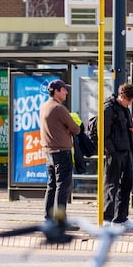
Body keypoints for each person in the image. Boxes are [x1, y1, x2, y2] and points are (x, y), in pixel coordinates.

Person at [39, 79, 81, 221]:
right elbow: (75, 128)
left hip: (49, 152)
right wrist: (71, 128)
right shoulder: (59, 108)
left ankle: (48, 218)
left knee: (52, 185)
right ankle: (60, 221)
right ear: (57, 91)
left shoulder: (44, 106)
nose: (67, 92)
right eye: (64, 90)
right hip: (62, 151)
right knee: (62, 187)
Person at [102, 82, 133, 224]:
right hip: (115, 153)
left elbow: (125, 128)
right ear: (122, 96)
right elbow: (104, 133)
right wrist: (112, 150)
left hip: (127, 150)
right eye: (129, 101)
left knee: (127, 184)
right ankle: (107, 217)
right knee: (112, 185)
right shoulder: (109, 108)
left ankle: (121, 218)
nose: (129, 104)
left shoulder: (126, 110)